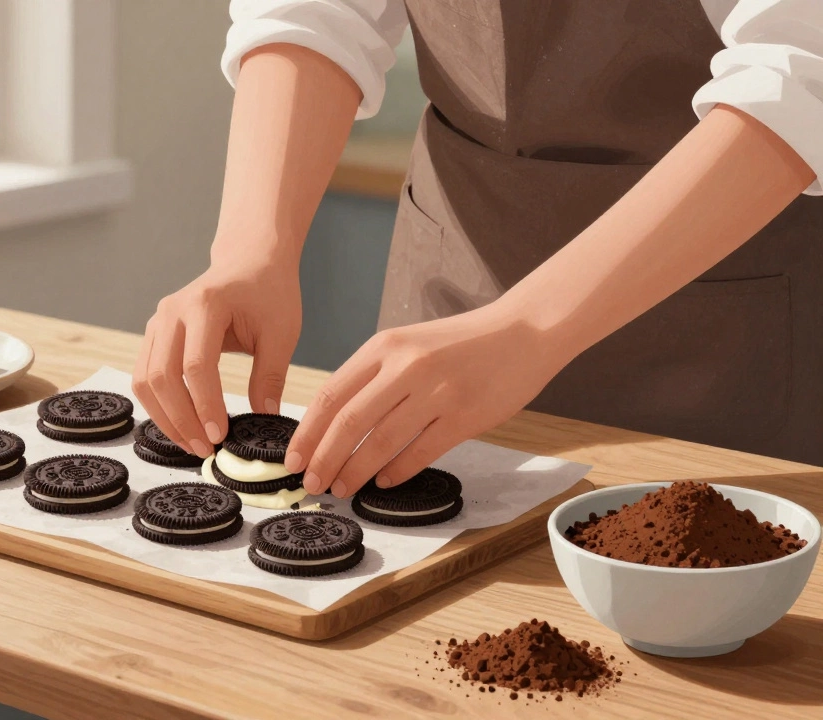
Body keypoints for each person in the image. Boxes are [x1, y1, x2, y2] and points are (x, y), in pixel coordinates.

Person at [132, 0, 823, 498]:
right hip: (452, 266)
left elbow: (799, 72)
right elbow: (318, 9)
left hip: (726, 315)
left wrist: (526, 327)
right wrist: (254, 247)